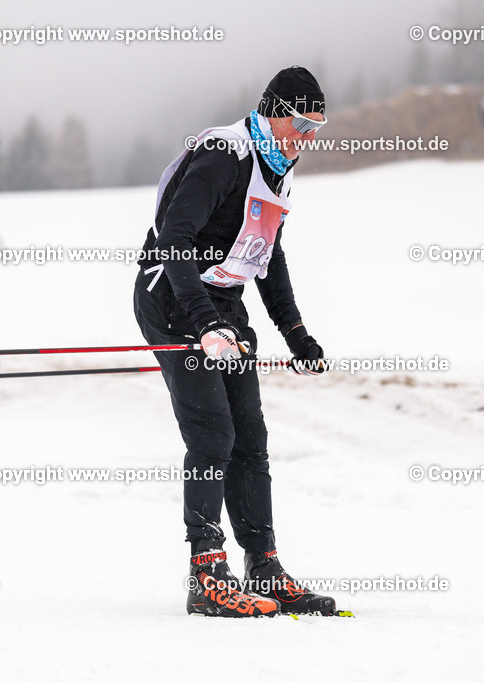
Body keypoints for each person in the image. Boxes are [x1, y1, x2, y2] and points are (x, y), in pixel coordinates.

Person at [133, 66, 335, 617]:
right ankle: (206, 575)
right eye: (299, 122)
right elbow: (175, 240)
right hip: (172, 295)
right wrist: (202, 323)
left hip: (221, 300)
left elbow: (268, 256)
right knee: (213, 430)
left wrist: (295, 333)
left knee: (250, 433)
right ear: (272, 110)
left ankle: (263, 566)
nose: (306, 137)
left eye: (317, 126)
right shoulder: (227, 153)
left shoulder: (279, 166)